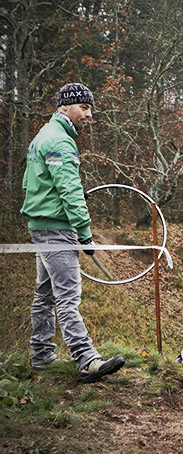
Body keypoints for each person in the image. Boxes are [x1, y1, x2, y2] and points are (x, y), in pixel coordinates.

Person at [20, 83, 125, 383]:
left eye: (90, 108)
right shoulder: (60, 142)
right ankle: (87, 359)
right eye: (84, 107)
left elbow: (30, 185)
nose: (89, 114)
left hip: (41, 225)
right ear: (65, 106)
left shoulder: (44, 135)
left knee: (45, 293)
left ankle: (41, 354)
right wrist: (84, 232)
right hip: (56, 228)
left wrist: (46, 206)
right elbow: (69, 190)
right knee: (68, 295)